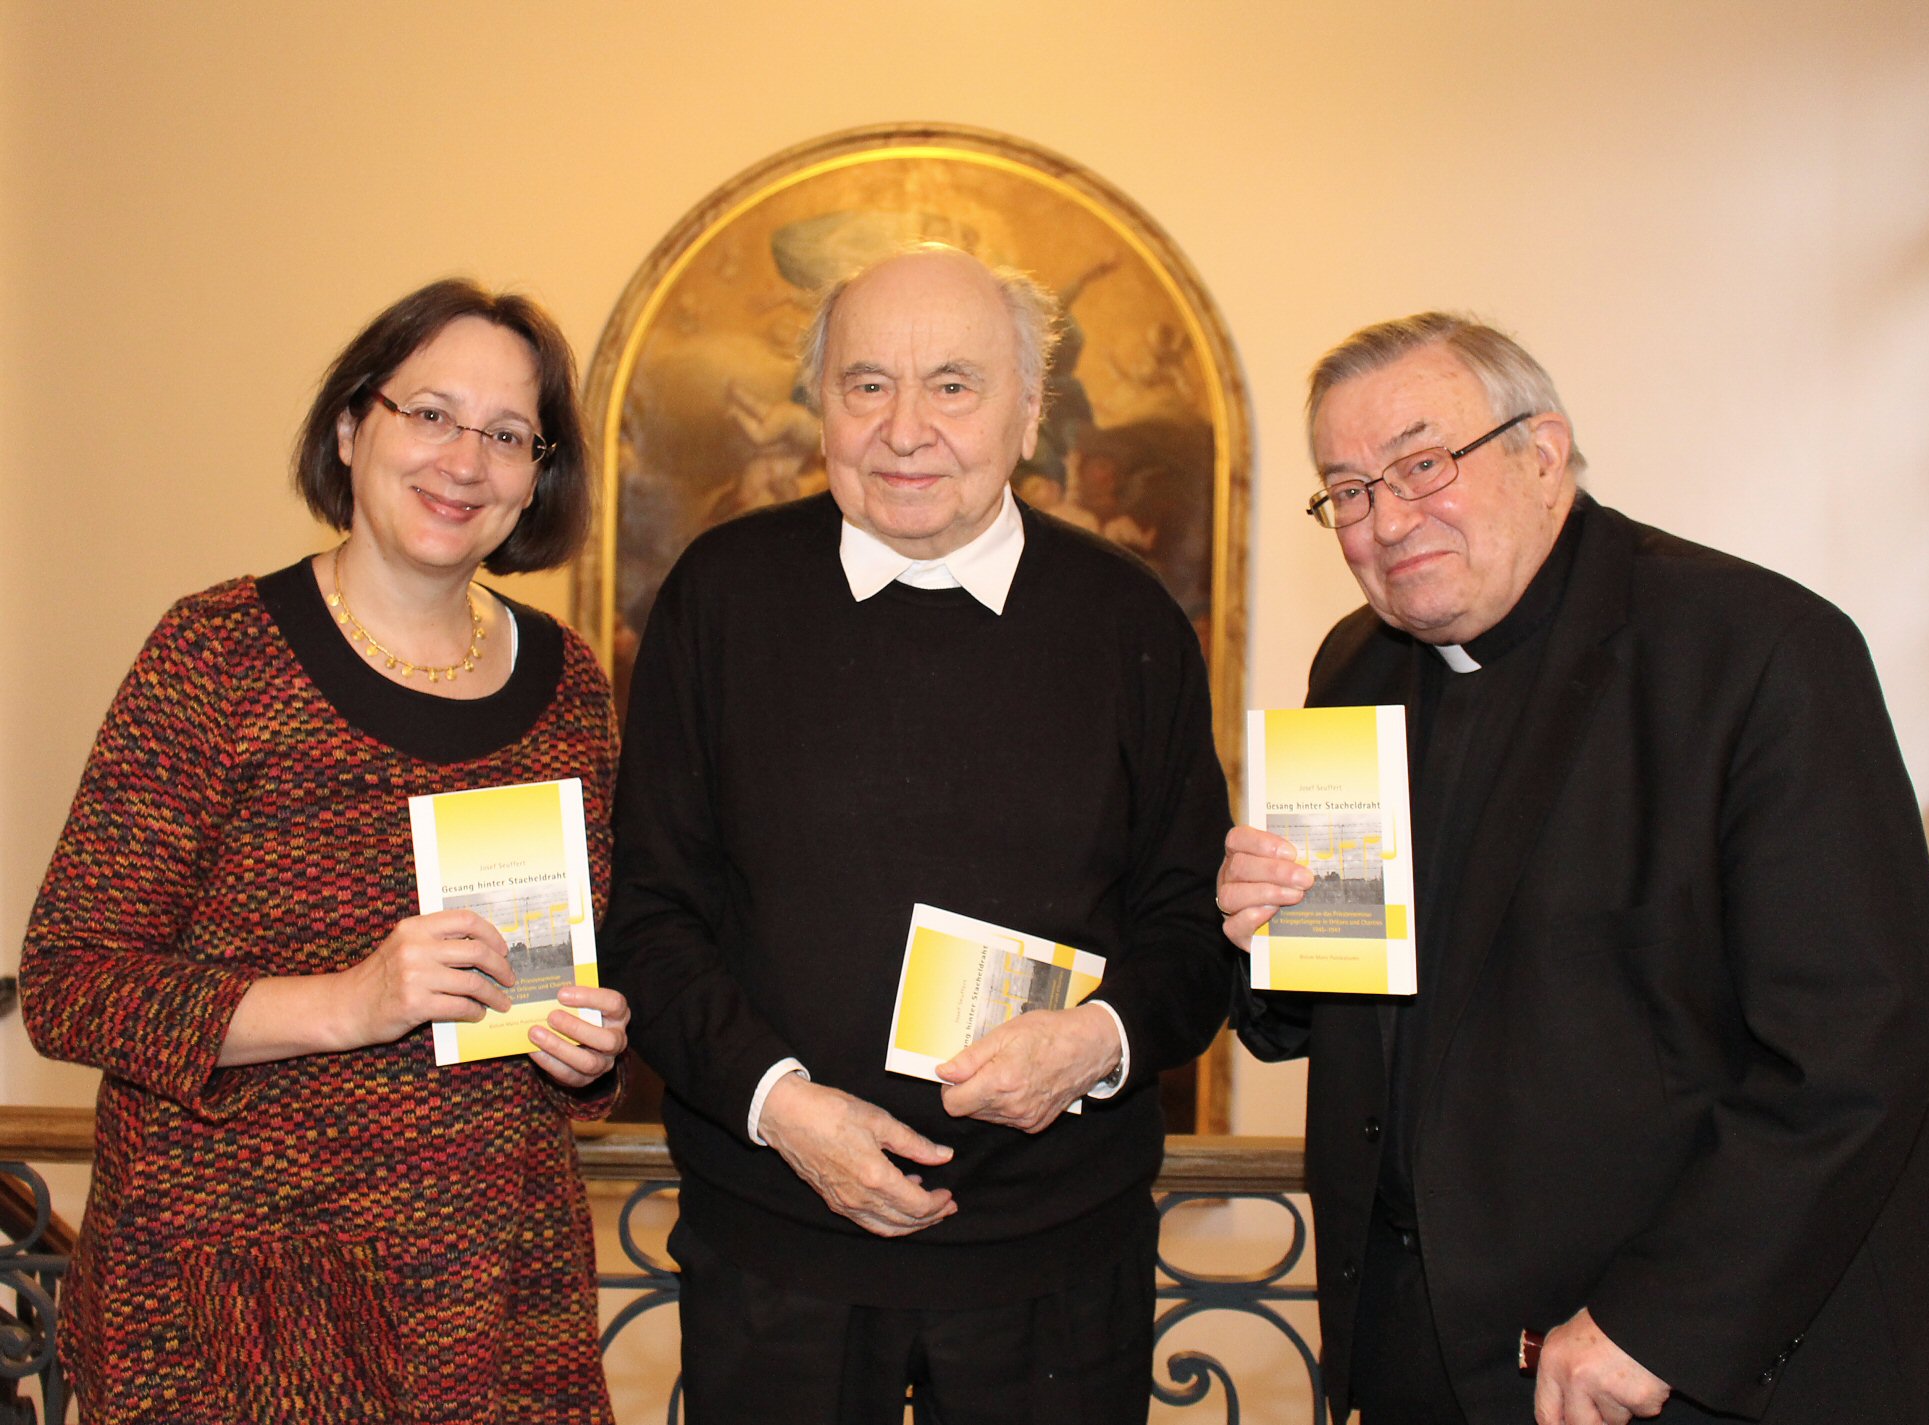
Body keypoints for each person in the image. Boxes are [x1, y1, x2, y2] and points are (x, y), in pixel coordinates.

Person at [1217, 313, 1929, 1425]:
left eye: (1421, 465)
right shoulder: (1356, 665)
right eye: (1348, 490)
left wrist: (1661, 1319)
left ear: (1542, 452)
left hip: (1671, 1361)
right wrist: (1269, 936)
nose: (1385, 520)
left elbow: (1857, 1044)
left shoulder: (1753, 650)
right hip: (1422, 1347)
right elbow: (1350, 1005)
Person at [603, 243, 1232, 1424]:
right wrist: (786, 1108)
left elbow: (1192, 931)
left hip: (1055, 1265)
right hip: (775, 1248)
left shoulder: (1129, 620)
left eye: (952, 383)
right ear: (820, 403)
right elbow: (650, 918)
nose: (904, 429)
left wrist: (1094, 1042)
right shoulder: (719, 598)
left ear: (1030, 409)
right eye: (864, 383)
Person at [21, 279, 629, 1424]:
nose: (466, 459)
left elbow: (566, 967)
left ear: (536, 476)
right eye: (431, 413)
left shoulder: (571, 684)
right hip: (240, 1310)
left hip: (502, 1304)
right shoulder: (215, 655)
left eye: (508, 435)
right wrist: (348, 1003)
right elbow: (71, 984)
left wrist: (585, 1046)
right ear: (354, 429)